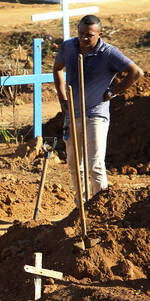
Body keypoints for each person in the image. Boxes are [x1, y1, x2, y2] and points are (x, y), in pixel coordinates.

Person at [53, 14, 144, 200]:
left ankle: (99, 208)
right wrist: (63, 99)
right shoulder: (69, 47)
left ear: (99, 34)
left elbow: (136, 72)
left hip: (96, 114)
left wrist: (114, 91)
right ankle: (80, 208)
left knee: (94, 165)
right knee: (73, 164)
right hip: (73, 114)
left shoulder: (108, 53)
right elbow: (57, 68)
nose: (84, 38)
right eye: (81, 33)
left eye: (89, 35)